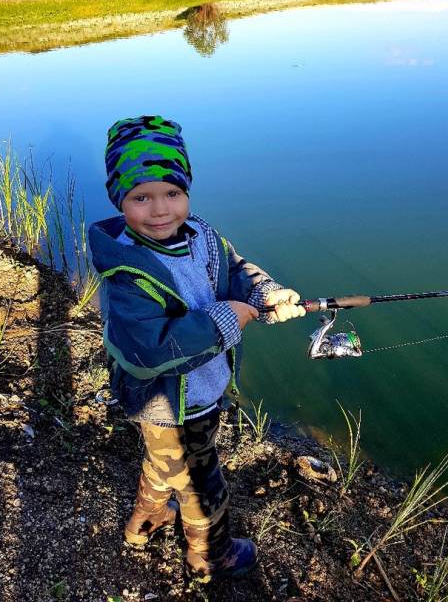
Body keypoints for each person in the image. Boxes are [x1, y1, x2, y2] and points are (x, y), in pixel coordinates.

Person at [88, 115, 305, 581]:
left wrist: (264, 294)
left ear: (187, 191)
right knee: (202, 484)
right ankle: (211, 556)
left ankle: (143, 521)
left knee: (164, 465)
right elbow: (149, 351)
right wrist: (228, 317)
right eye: (141, 197)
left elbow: (235, 270)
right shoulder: (126, 273)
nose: (161, 209)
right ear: (118, 198)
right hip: (168, 406)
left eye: (173, 193)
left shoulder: (201, 234)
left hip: (201, 392)